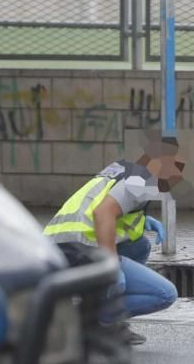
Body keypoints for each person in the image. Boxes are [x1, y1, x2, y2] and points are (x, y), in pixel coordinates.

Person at [43, 132, 186, 345]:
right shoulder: (141, 181)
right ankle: (98, 321)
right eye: (174, 167)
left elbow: (108, 207)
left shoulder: (124, 170)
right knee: (165, 294)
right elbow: (103, 213)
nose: (177, 175)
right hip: (79, 246)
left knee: (140, 246)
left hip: (57, 244)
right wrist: (109, 266)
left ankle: (97, 310)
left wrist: (145, 220)